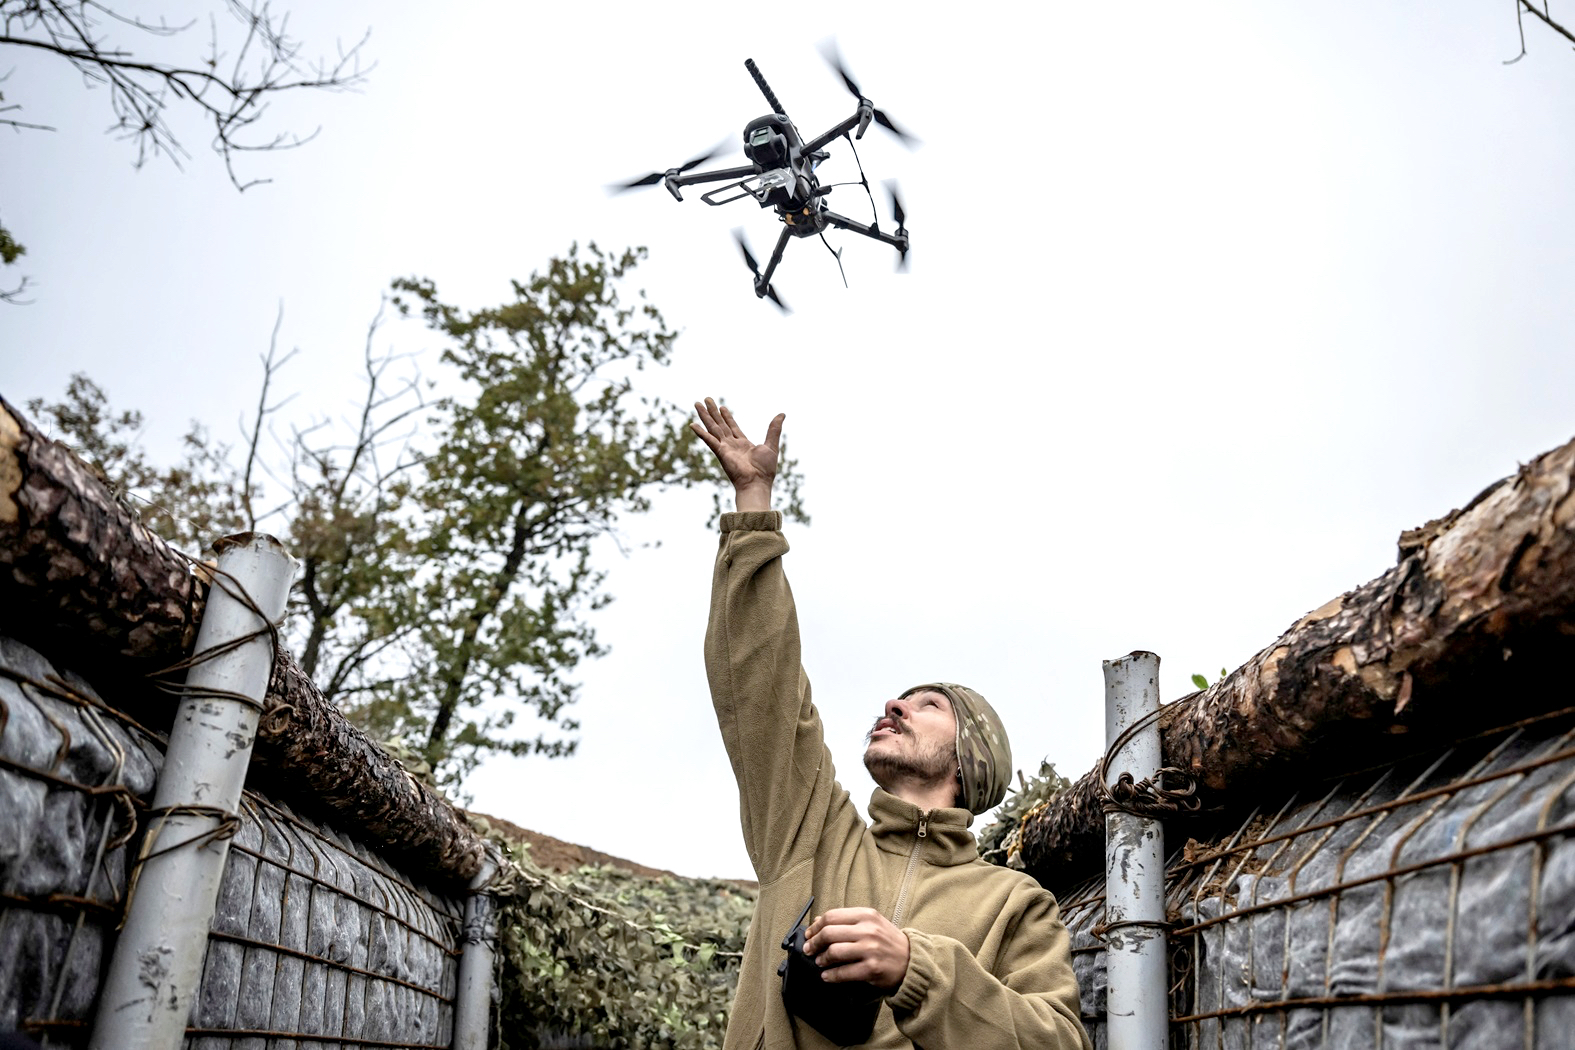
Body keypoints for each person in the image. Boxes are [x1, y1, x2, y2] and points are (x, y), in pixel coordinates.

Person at [691, 398, 1090, 1050]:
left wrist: (915, 969)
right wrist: (753, 504)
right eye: (898, 701)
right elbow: (762, 688)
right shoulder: (809, 833)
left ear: (970, 759)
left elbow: (1057, 1043)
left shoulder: (1014, 905)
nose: (894, 707)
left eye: (929, 705)